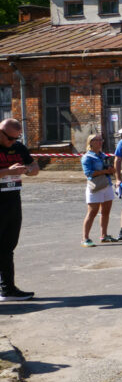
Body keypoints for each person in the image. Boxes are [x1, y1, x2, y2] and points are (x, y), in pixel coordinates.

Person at [0, 118, 39, 300]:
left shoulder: (19, 147)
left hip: (12, 201)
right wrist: (8, 171)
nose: (13, 142)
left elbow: (35, 167)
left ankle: (7, 289)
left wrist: (28, 170)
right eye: (10, 138)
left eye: (16, 138)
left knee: (8, 246)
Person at [80, 133, 115, 247]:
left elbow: (108, 169)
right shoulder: (87, 157)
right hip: (95, 187)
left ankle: (104, 235)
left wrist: (111, 169)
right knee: (92, 212)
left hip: (106, 184)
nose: (100, 142)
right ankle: (85, 238)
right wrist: (105, 171)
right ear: (91, 142)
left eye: (101, 140)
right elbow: (88, 173)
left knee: (106, 212)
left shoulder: (103, 155)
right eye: (97, 140)